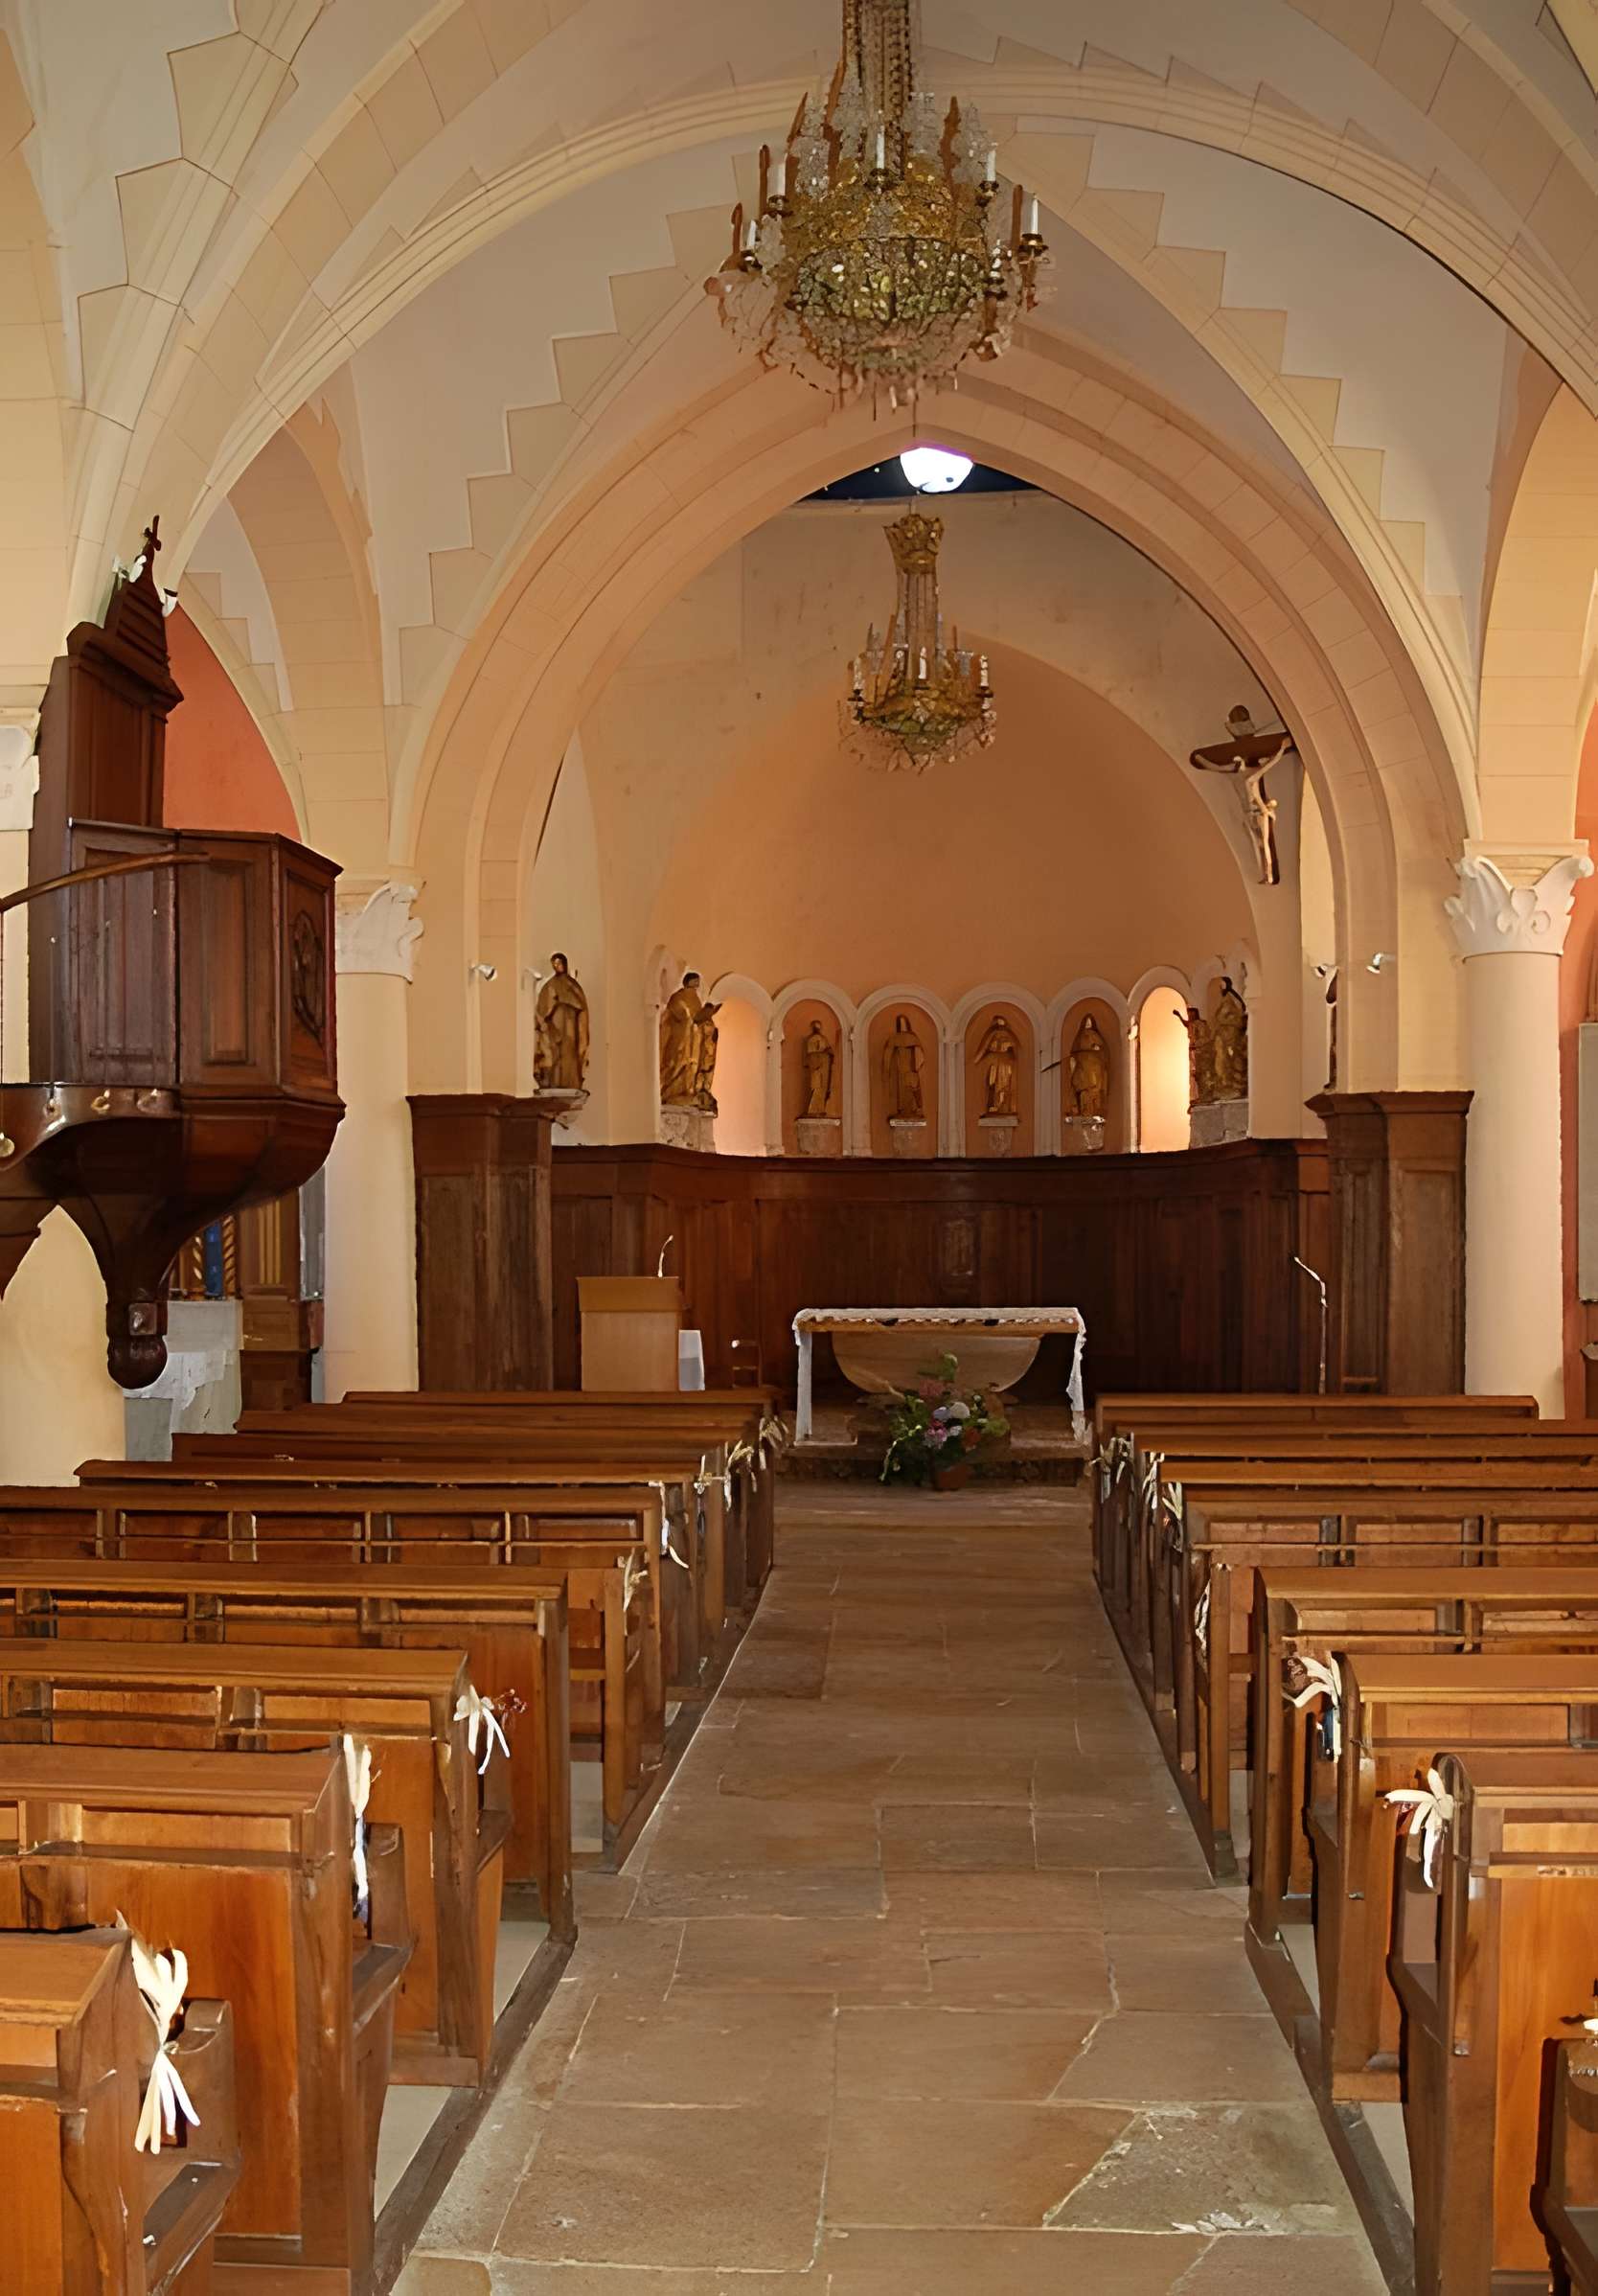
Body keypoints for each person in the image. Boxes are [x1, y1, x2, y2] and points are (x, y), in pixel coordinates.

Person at [534, 952, 589, 1091]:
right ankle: (553, 1081)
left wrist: (566, 1000)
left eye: (559, 963)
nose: (557, 966)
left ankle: (570, 1081)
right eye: (555, 964)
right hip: (555, 1026)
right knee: (554, 1054)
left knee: (569, 1053)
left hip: (569, 1025)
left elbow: (580, 1004)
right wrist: (551, 1008)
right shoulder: (550, 985)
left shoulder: (573, 985)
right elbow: (542, 1009)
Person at [975, 1013, 1020, 1118]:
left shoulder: (1007, 1035)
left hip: (1004, 1064)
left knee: (1004, 1085)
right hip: (994, 1064)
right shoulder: (992, 1035)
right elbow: (985, 1048)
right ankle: (994, 1106)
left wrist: (1007, 1051)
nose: (999, 1026)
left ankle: (1003, 1106)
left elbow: (1014, 1049)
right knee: (992, 1084)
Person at [882, 1012, 925, 1121]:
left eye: (903, 1023)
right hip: (900, 1068)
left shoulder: (912, 1038)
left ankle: (914, 1109)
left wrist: (918, 1066)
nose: (902, 1027)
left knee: (912, 1088)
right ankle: (903, 1111)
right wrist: (886, 1069)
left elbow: (920, 1052)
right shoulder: (895, 1038)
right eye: (900, 1024)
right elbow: (888, 1053)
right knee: (902, 1090)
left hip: (911, 1068)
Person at [1068, 1013, 1109, 1120]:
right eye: (1086, 1021)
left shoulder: (1095, 1035)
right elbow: (1074, 1051)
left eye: (1090, 1021)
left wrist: (1097, 1048)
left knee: (1094, 1089)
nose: (1088, 1023)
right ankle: (1084, 1111)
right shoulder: (1079, 1036)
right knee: (1082, 1089)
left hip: (1094, 1067)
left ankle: (1094, 1110)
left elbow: (1103, 1050)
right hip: (1083, 1065)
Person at [801, 1017, 835, 1118]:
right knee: (816, 1087)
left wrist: (829, 1053)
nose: (817, 1029)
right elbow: (811, 1055)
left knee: (823, 1088)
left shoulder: (824, 1039)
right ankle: (813, 1109)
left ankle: (820, 1108)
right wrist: (823, 1054)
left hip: (824, 1066)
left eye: (818, 1027)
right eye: (816, 1027)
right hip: (817, 1067)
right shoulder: (811, 1039)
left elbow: (829, 1051)